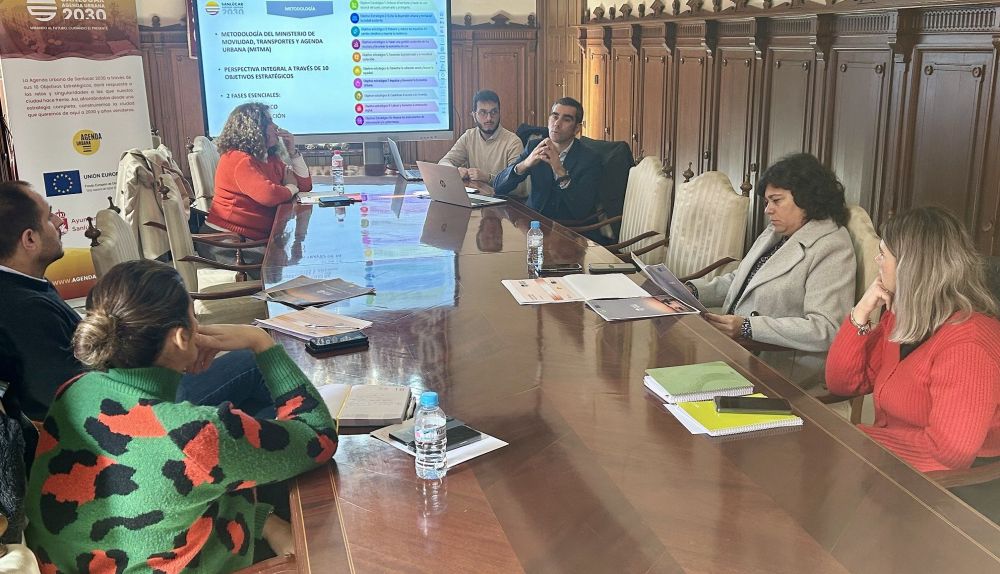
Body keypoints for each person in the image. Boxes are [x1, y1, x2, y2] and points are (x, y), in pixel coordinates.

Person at [25, 259, 338, 573]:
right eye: (194, 316)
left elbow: (143, 500)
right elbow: (320, 436)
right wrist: (260, 341)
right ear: (180, 338)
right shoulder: (199, 433)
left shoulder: (75, 390)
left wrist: (262, 520)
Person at [0, 181, 272, 421]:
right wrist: (163, 360)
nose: (59, 222)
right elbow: (67, 401)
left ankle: (246, 444)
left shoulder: (23, 285)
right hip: (132, 414)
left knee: (258, 396)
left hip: (128, 391)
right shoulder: (22, 310)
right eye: (49, 218)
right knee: (258, 364)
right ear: (30, 239)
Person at [826, 207, 1000, 474]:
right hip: (892, 464)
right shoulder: (905, 319)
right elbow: (844, 383)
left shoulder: (968, 345)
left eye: (883, 254)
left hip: (952, 485)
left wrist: (861, 439)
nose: (877, 260)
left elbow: (949, 454)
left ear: (909, 267)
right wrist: (861, 311)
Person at [687, 153, 856, 352]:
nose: (768, 210)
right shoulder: (776, 232)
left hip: (772, 361)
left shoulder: (832, 246)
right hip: (733, 347)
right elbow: (744, 282)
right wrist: (693, 292)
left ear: (807, 199)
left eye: (776, 201)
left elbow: (826, 328)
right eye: (767, 202)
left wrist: (748, 327)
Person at [205, 102, 312, 243]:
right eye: (269, 122)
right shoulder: (238, 159)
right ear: (255, 128)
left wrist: (292, 151)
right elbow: (269, 195)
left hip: (253, 238)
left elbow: (304, 186)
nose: (276, 126)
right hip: (230, 241)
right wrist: (290, 187)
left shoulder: (269, 156)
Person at [493, 97, 603, 226]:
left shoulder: (590, 159)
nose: (557, 123)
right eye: (555, 117)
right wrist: (525, 164)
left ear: (576, 129)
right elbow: (499, 187)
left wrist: (560, 171)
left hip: (570, 230)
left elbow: (582, 210)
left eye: (566, 119)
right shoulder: (535, 146)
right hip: (534, 223)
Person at [439, 90, 523, 188]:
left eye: (494, 112)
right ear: (474, 116)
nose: (489, 118)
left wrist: (488, 178)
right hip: (476, 195)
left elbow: (518, 186)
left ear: (499, 113)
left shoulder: (513, 142)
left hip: (503, 197)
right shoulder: (469, 137)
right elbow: (444, 162)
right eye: (483, 112)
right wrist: (455, 171)